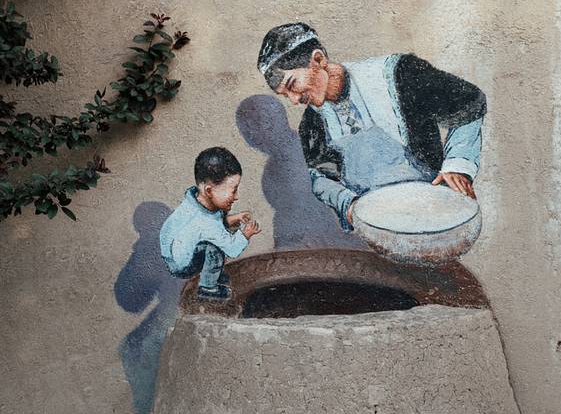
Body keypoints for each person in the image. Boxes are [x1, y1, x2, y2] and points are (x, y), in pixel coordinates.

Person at [257, 23, 486, 232]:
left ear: (318, 59)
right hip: (376, 226)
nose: (294, 100)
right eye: (285, 95)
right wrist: (348, 204)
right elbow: (320, 176)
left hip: (431, 212)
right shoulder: (312, 122)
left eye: (292, 85)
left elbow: (469, 103)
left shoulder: (399, 74)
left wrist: (457, 165)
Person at [159, 147, 260, 300]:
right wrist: (246, 234)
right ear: (209, 191)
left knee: (210, 243)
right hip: (182, 266)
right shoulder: (206, 223)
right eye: (233, 190)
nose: (236, 196)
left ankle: (212, 273)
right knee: (215, 249)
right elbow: (231, 248)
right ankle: (208, 287)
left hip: (175, 255)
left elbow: (213, 226)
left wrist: (234, 218)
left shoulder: (193, 204)